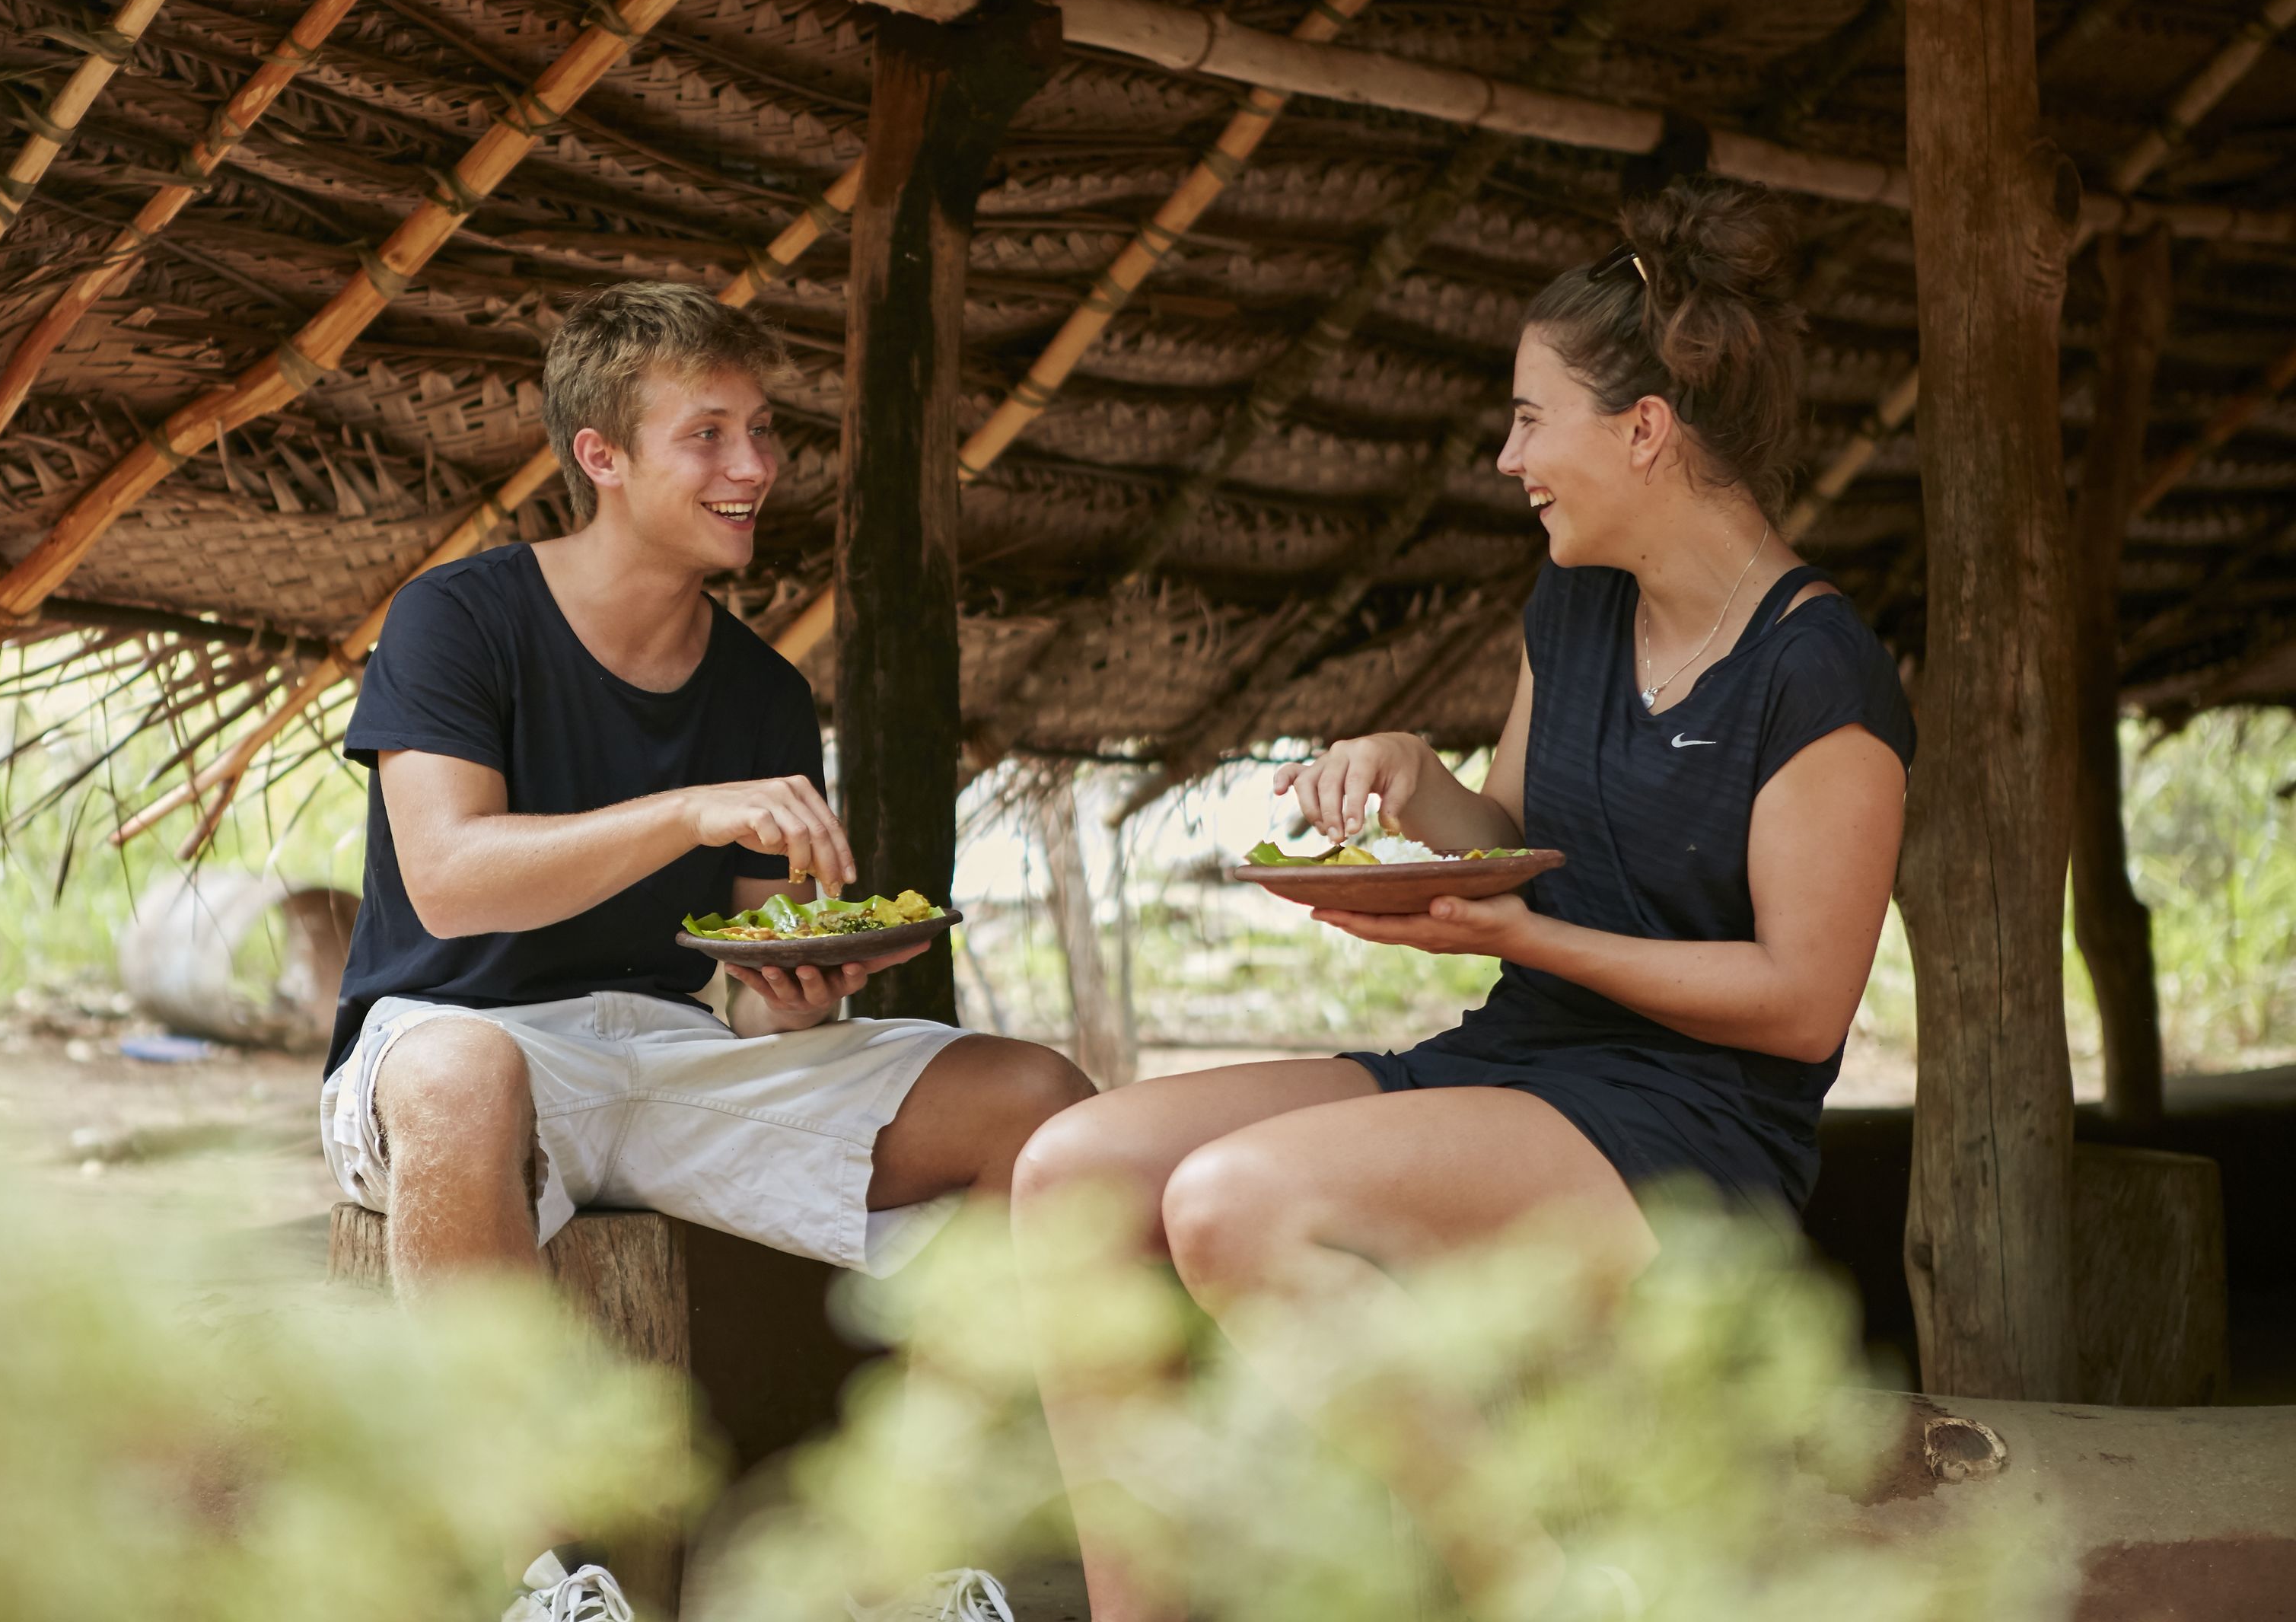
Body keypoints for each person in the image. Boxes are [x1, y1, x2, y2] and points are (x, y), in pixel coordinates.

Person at [1011, 181, 1915, 1620]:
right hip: (1519, 1060)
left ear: (1645, 429)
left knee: (1236, 1205)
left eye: (1529, 419)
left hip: (1693, 1133)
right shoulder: (1575, 605)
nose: (1510, 459)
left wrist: (1533, 939)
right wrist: (1416, 782)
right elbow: (1509, 836)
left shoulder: (1819, 675)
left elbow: (1803, 1006)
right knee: (1074, 1171)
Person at [318, 279, 1088, 1622]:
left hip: (669, 1053)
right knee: (461, 1073)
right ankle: (526, 1585)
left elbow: (751, 979)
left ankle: (911, 1562)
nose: (755, 468)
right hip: (454, 1045)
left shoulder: (762, 692)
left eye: (763, 430)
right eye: (709, 435)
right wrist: (685, 810)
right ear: (602, 458)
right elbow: (447, 883)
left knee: (1034, 1099)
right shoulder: (460, 618)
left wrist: (799, 994)